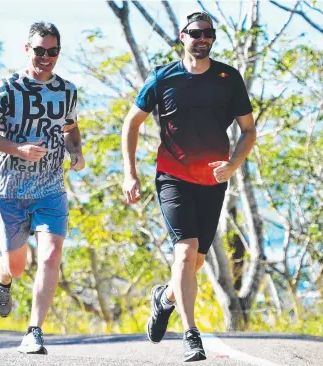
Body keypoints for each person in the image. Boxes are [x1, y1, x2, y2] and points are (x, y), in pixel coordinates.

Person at [121, 11, 256, 362]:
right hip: (172, 177)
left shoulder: (229, 78)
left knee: (194, 262)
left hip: (212, 181)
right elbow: (131, 123)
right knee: (184, 251)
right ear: (183, 37)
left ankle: (165, 297)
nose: (202, 38)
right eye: (195, 33)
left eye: (208, 33)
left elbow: (248, 130)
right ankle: (190, 334)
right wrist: (130, 173)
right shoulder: (163, 78)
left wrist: (233, 165)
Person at [0, 21, 84, 355]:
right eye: (39, 50)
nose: (45, 57)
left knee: (50, 255)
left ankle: (34, 331)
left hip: (51, 187)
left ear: (58, 53)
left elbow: (71, 129)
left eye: (51, 52)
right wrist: (17, 149)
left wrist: (75, 152)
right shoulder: (6, 89)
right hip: (10, 189)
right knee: (16, 266)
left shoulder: (68, 91)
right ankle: (2, 277)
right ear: (27, 50)